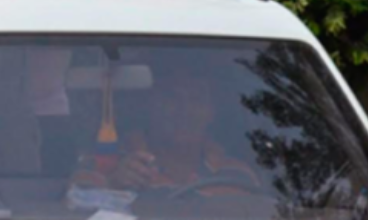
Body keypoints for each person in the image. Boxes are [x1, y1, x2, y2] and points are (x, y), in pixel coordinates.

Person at [71, 67, 259, 200]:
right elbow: (69, 208)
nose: (185, 110)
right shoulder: (107, 162)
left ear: (211, 112)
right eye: (172, 98)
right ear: (150, 106)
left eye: (196, 99)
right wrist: (113, 186)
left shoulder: (236, 174)